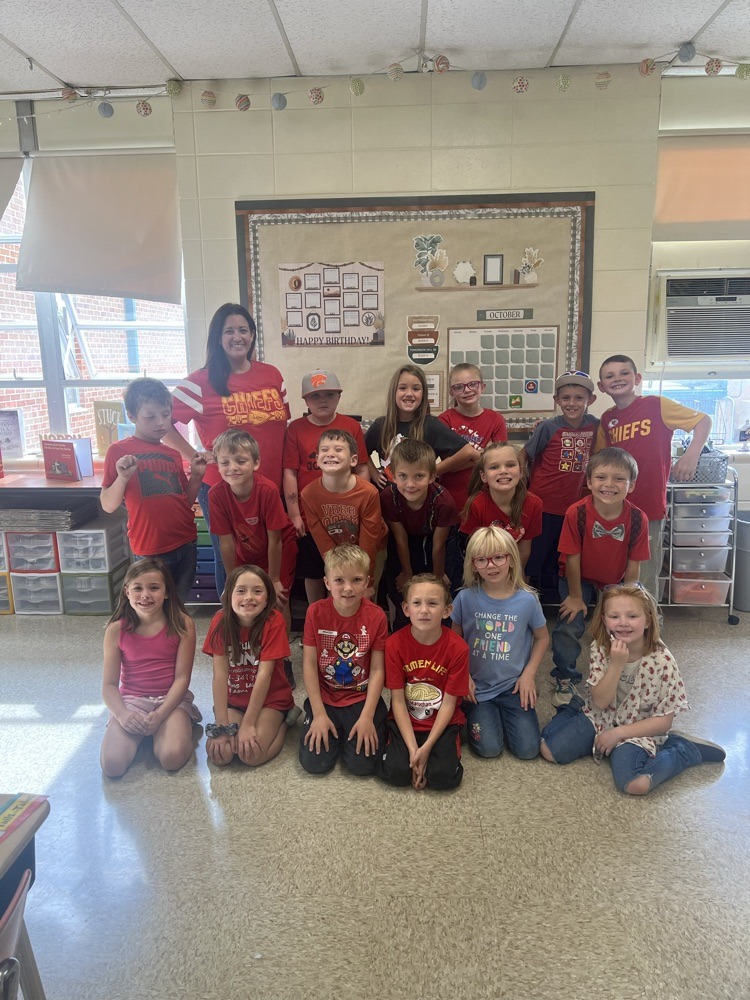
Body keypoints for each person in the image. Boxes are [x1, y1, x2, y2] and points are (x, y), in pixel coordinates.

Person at [540, 583, 726, 795]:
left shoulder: (663, 660)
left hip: (638, 729)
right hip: (601, 717)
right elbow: (600, 703)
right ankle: (574, 708)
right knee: (548, 750)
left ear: (647, 620)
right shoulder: (600, 648)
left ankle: (683, 750)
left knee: (635, 784)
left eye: (632, 616)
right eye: (614, 616)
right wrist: (617, 664)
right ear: (604, 619)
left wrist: (618, 734)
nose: (623, 624)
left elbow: (664, 721)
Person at [165, 303, 291, 595]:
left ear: (252, 335)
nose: (238, 337)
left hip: (268, 486)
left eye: (243, 330)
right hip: (224, 487)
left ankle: (266, 628)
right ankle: (233, 631)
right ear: (217, 338)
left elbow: (284, 427)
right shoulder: (199, 381)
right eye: (229, 331)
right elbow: (162, 424)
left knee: (270, 554)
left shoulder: (272, 374)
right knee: (230, 559)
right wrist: (195, 456)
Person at [596, 353, 711, 596]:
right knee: (615, 570)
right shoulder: (607, 418)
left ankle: (650, 628)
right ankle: (619, 625)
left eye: (624, 373)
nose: (617, 378)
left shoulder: (656, 404)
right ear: (602, 386)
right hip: (615, 506)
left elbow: (703, 421)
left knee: (645, 574)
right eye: (609, 376)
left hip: (649, 506)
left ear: (637, 378)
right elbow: (603, 461)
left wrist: (691, 455)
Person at [550, 447, 650, 707]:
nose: (609, 484)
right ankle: (565, 677)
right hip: (577, 579)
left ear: (632, 485)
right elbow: (572, 558)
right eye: (601, 477)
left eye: (619, 479)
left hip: (615, 581)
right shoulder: (577, 513)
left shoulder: (638, 518)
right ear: (589, 481)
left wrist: (627, 599)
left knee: (623, 626)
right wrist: (575, 597)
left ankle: (620, 675)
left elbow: (634, 563)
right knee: (569, 627)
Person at [101, 377, 206, 603]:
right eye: (151, 416)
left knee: (177, 608)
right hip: (150, 549)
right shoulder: (118, 451)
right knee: (151, 611)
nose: (161, 422)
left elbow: (183, 503)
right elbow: (108, 505)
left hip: (186, 542)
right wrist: (122, 478)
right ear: (131, 416)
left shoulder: (173, 454)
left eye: (166, 415)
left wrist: (196, 476)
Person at [208, 429, 297, 685]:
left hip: (278, 550)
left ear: (255, 463)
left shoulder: (267, 490)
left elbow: (275, 539)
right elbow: (225, 543)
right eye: (225, 462)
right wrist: (232, 581)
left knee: (279, 600)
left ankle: (282, 658)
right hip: (245, 550)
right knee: (243, 597)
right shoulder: (216, 495)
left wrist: (274, 578)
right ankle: (250, 652)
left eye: (240, 461)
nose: (232, 468)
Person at [451, 527, 548, 760]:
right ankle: (475, 716)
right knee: (489, 749)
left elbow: (543, 637)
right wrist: (463, 675)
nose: (491, 566)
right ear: (473, 564)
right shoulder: (465, 598)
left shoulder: (528, 599)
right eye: (482, 560)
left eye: (498, 557)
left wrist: (529, 675)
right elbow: (454, 641)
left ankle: (503, 715)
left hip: (513, 686)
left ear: (512, 560)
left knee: (528, 750)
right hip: (478, 688)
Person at [100, 559, 201, 778]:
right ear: (127, 592)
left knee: (171, 759)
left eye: (154, 588)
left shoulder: (182, 624)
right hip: (132, 702)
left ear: (166, 592)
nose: (145, 595)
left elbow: (182, 678)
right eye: (138, 588)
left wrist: (160, 713)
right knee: (112, 766)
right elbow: (108, 685)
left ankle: (179, 728)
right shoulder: (116, 630)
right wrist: (122, 714)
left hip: (171, 702)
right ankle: (150, 733)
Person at [299, 545, 388, 776]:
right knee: (314, 764)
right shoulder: (315, 612)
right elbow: (308, 664)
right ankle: (326, 725)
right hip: (326, 697)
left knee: (362, 766)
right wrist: (319, 714)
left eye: (356, 580)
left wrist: (367, 716)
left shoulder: (376, 615)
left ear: (367, 581)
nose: (348, 588)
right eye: (339, 580)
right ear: (327, 582)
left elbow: (378, 669)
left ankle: (362, 724)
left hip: (361, 698)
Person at [283, 369, 369, 606]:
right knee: (312, 570)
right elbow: (290, 472)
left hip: (346, 515)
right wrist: (293, 514)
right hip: (310, 515)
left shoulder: (350, 426)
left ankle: (340, 614)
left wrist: (364, 508)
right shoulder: (295, 429)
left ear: (338, 397)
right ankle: (315, 617)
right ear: (305, 400)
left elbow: (361, 468)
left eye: (329, 395)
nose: (322, 400)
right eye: (315, 396)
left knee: (344, 571)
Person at [377, 574, 469, 790]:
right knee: (396, 774)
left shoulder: (458, 648)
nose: (424, 610)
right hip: (406, 720)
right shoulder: (394, 644)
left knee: (443, 779)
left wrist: (426, 749)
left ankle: (455, 738)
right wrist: (413, 750)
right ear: (406, 609)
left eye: (433, 603)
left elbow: (448, 703)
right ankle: (406, 747)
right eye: (417, 603)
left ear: (447, 611)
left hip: (442, 722)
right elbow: (397, 701)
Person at [202, 565, 300, 768]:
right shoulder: (219, 621)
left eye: (257, 591)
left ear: (267, 599)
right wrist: (221, 725)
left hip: (270, 701)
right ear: (228, 595)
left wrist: (248, 724)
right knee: (221, 756)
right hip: (235, 701)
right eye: (241, 590)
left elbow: (264, 676)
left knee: (251, 755)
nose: (249, 597)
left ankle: (286, 721)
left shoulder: (274, 621)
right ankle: (240, 725)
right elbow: (219, 675)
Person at [522, 370, 599, 599]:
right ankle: (524, 600)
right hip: (542, 505)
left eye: (579, 398)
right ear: (557, 400)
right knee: (533, 558)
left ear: (590, 400)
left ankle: (564, 600)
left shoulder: (596, 426)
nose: (572, 403)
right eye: (565, 398)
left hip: (572, 508)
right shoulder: (548, 427)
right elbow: (524, 455)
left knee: (563, 557)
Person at [379, 438, 459, 628]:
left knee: (445, 583)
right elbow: (400, 538)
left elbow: (439, 544)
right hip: (407, 536)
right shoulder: (388, 497)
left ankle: (442, 627)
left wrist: (438, 575)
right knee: (400, 581)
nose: (410, 484)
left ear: (432, 476)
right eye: (403, 476)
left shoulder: (444, 501)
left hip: (438, 538)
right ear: (393, 475)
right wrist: (407, 572)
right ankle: (403, 625)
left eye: (419, 476)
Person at [301, 429, 387, 596]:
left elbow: (369, 541)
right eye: (324, 450)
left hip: (372, 552)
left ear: (353, 460)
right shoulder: (308, 494)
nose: (330, 454)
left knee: (365, 598)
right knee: (338, 595)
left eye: (338, 449)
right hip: (335, 553)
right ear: (317, 459)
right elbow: (323, 542)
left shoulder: (368, 493)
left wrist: (367, 581)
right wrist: (337, 571)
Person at [365, 364, 479, 488]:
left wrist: (433, 471)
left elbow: (467, 451)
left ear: (423, 394)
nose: (409, 393)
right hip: (388, 498)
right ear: (394, 392)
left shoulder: (431, 424)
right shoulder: (381, 425)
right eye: (402, 388)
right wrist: (374, 474)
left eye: (416, 389)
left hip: (422, 498)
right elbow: (361, 452)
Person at [460, 442, 542, 573]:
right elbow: (474, 552)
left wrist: (514, 579)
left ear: (521, 471)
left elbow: (524, 550)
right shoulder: (476, 505)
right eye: (494, 467)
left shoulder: (534, 504)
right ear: (483, 476)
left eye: (510, 465)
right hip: (485, 569)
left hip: (515, 569)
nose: (503, 471)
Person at [437, 362, 508, 512]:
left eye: (472, 384)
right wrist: (483, 454)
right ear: (451, 392)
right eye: (459, 387)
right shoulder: (444, 420)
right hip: (452, 499)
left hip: (486, 497)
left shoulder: (496, 419)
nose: (467, 390)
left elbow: (498, 461)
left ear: (482, 387)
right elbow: (449, 465)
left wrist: (460, 458)